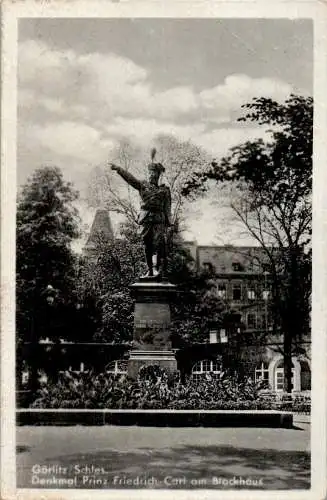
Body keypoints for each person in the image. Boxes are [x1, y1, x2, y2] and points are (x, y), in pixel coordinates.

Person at [110, 149, 172, 278]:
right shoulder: (143, 185)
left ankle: (155, 269)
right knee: (147, 244)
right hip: (146, 219)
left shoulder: (164, 190)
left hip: (159, 219)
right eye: (150, 172)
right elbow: (130, 179)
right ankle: (149, 269)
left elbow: (168, 206)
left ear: (158, 175)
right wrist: (119, 169)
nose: (151, 175)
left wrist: (168, 221)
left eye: (154, 173)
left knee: (158, 243)